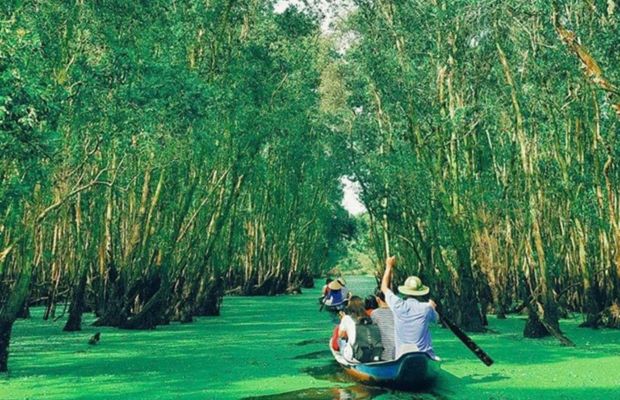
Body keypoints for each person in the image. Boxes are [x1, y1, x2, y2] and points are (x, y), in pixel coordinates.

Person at [380, 256, 439, 360]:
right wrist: (432, 307)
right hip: (423, 355)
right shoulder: (426, 308)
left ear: (405, 292)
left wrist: (388, 266)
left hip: (402, 356)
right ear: (420, 293)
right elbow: (436, 320)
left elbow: (384, 287)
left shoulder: (397, 304)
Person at [337, 296, 382, 363]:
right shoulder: (369, 318)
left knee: (340, 341)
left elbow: (341, 335)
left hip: (356, 356)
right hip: (372, 354)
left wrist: (342, 320)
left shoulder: (346, 318)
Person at [370, 290, 395, 361]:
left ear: (378, 299)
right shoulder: (396, 312)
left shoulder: (374, 313)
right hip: (398, 351)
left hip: (383, 353)